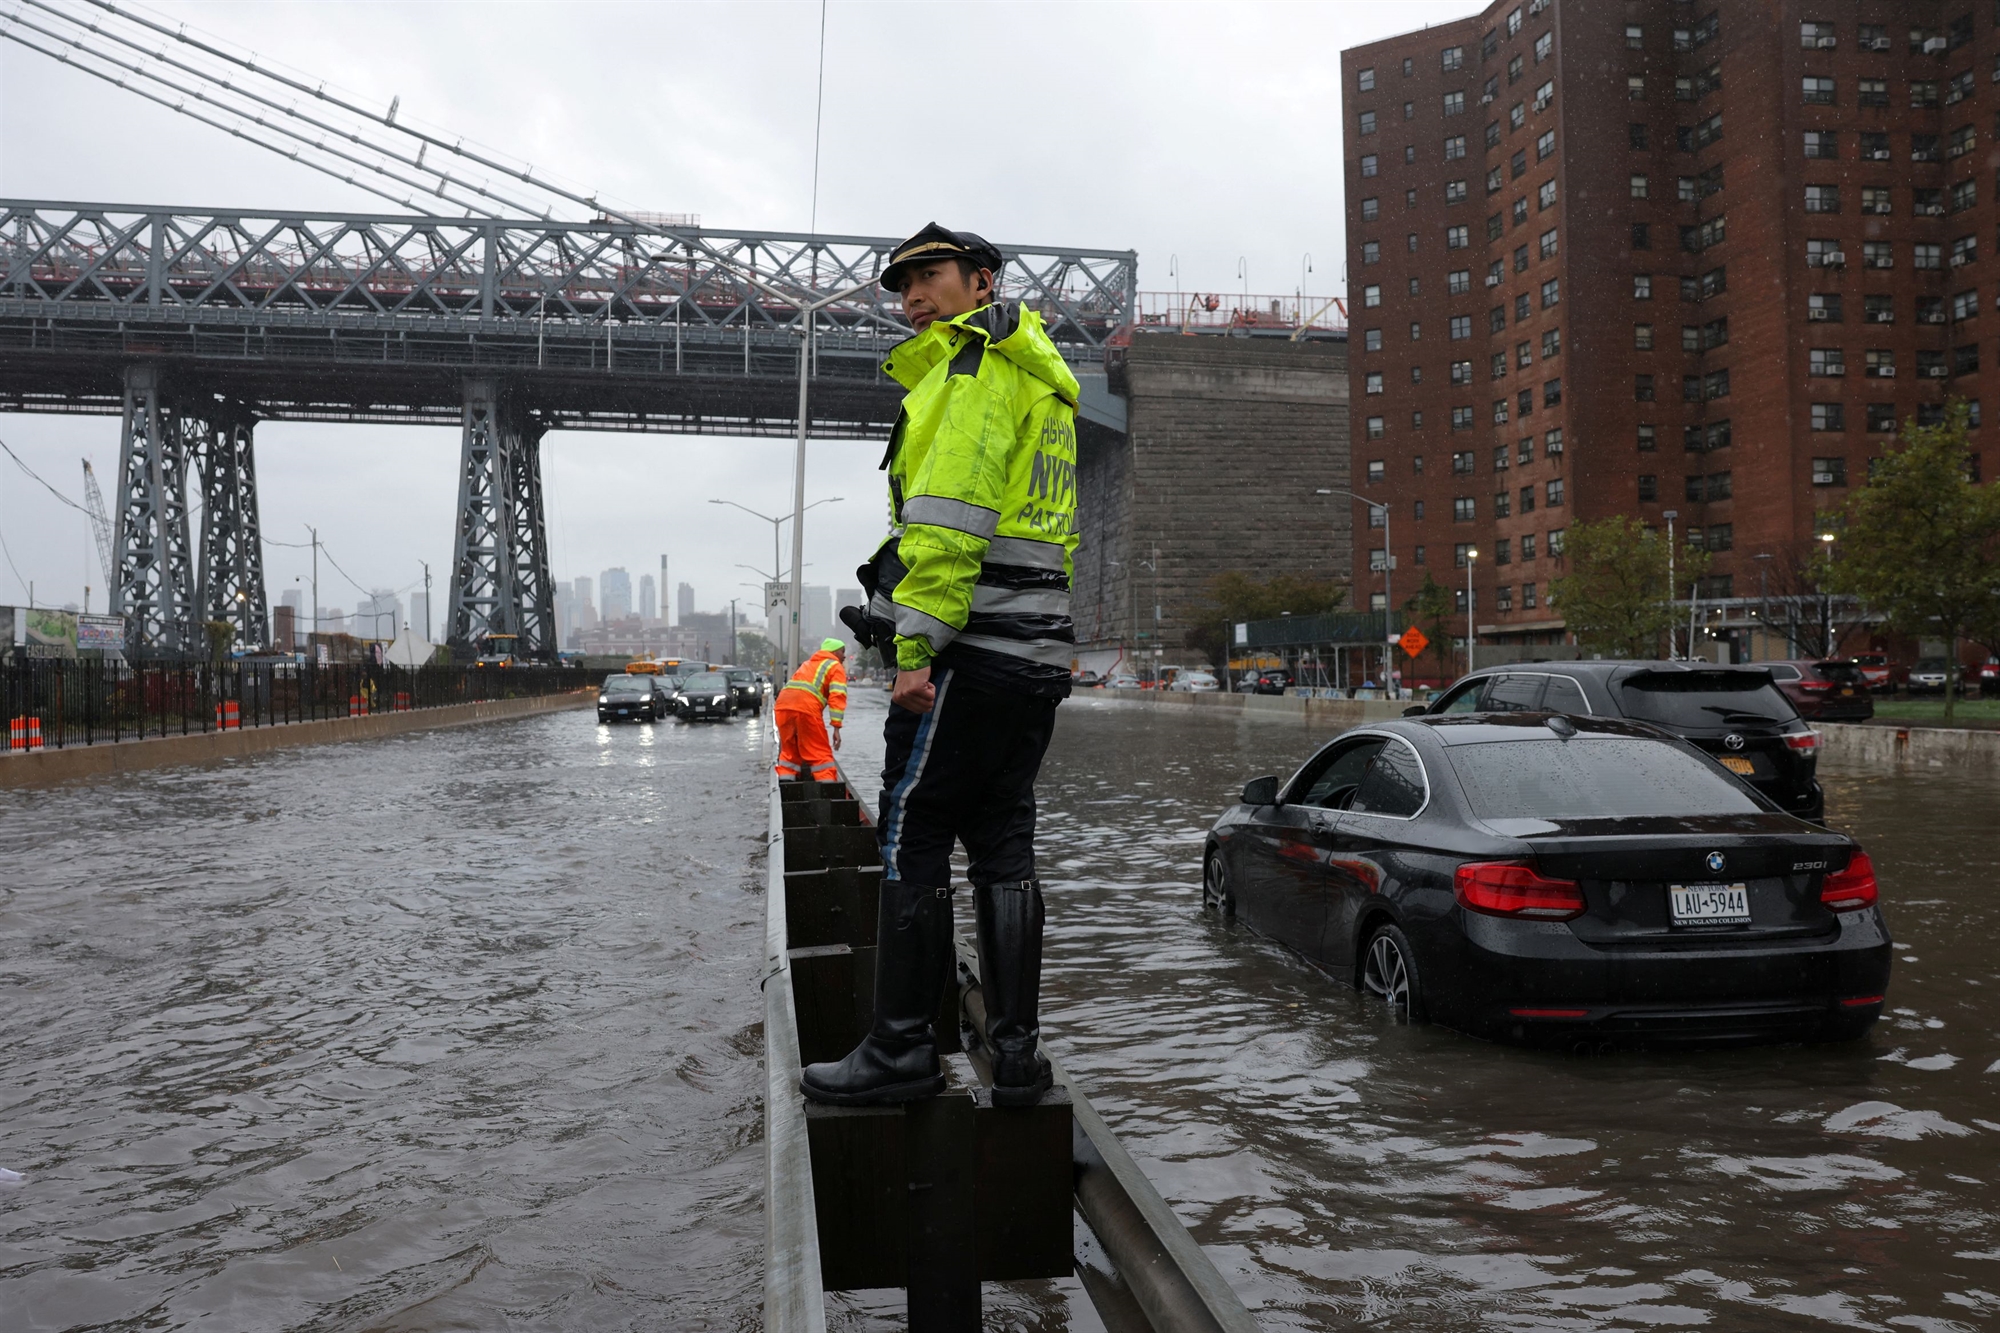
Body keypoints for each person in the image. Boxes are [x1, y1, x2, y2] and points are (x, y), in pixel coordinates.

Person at [800, 223, 1079, 1109]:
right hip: (1035, 657)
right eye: (903, 284)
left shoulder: (971, 372)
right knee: (1003, 842)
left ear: (983, 281)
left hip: (967, 657)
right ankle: (1018, 1056)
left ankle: (901, 1048)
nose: (913, 296)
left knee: (911, 835)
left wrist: (913, 650)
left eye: (930, 276)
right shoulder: (1039, 378)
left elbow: (950, 524)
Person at [773, 638, 847, 782]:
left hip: (782, 707)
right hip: (806, 708)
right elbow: (837, 696)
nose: (844, 656)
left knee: (789, 752)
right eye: (842, 651)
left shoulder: (808, 664)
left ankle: (787, 785)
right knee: (819, 753)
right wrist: (836, 727)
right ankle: (827, 787)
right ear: (834, 652)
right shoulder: (835, 666)